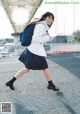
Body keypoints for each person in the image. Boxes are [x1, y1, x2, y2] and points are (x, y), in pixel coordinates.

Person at [5, 12, 60, 91]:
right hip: (35, 52)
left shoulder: (41, 25)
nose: (51, 20)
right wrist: (47, 37)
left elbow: (37, 39)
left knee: (27, 69)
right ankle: (50, 84)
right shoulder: (41, 26)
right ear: (44, 18)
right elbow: (35, 39)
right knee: (45, 68)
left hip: (33, 50)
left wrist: (44, 37)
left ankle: (10, 82)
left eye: (52, 19)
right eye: (49, 18)